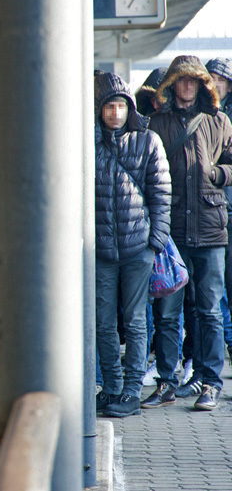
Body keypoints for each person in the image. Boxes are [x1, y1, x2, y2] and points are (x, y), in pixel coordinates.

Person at [142, 55, 232, 412]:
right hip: (171, 229)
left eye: (193, 81)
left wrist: (218, 176)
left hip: (211, 229)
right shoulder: (155, 123)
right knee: (167, 311)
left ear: (201, 86)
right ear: (171, 85)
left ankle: (210, 382)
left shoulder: (219, 121)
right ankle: (167, 380)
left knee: (210, 310)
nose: (187, 87)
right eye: (181, 81)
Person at [92, 72, 171, 418]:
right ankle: (111, 388)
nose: (115, 113)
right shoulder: (87, 143)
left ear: (129, 108)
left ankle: (132, 390)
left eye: (120, 106)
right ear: (100, 109)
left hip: (139, 247)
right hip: (101, 250)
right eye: (109, 106)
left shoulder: (148, 141)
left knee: (136, 320)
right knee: (104, 323)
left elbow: (161, 195)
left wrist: (155, 244)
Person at [207, 58, 232, 366]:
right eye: (210, 79)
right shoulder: (204, 116)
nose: (215, 85)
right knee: (217, 285)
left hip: (226, 204)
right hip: (213, 210)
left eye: (221, 80)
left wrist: (217, 174)